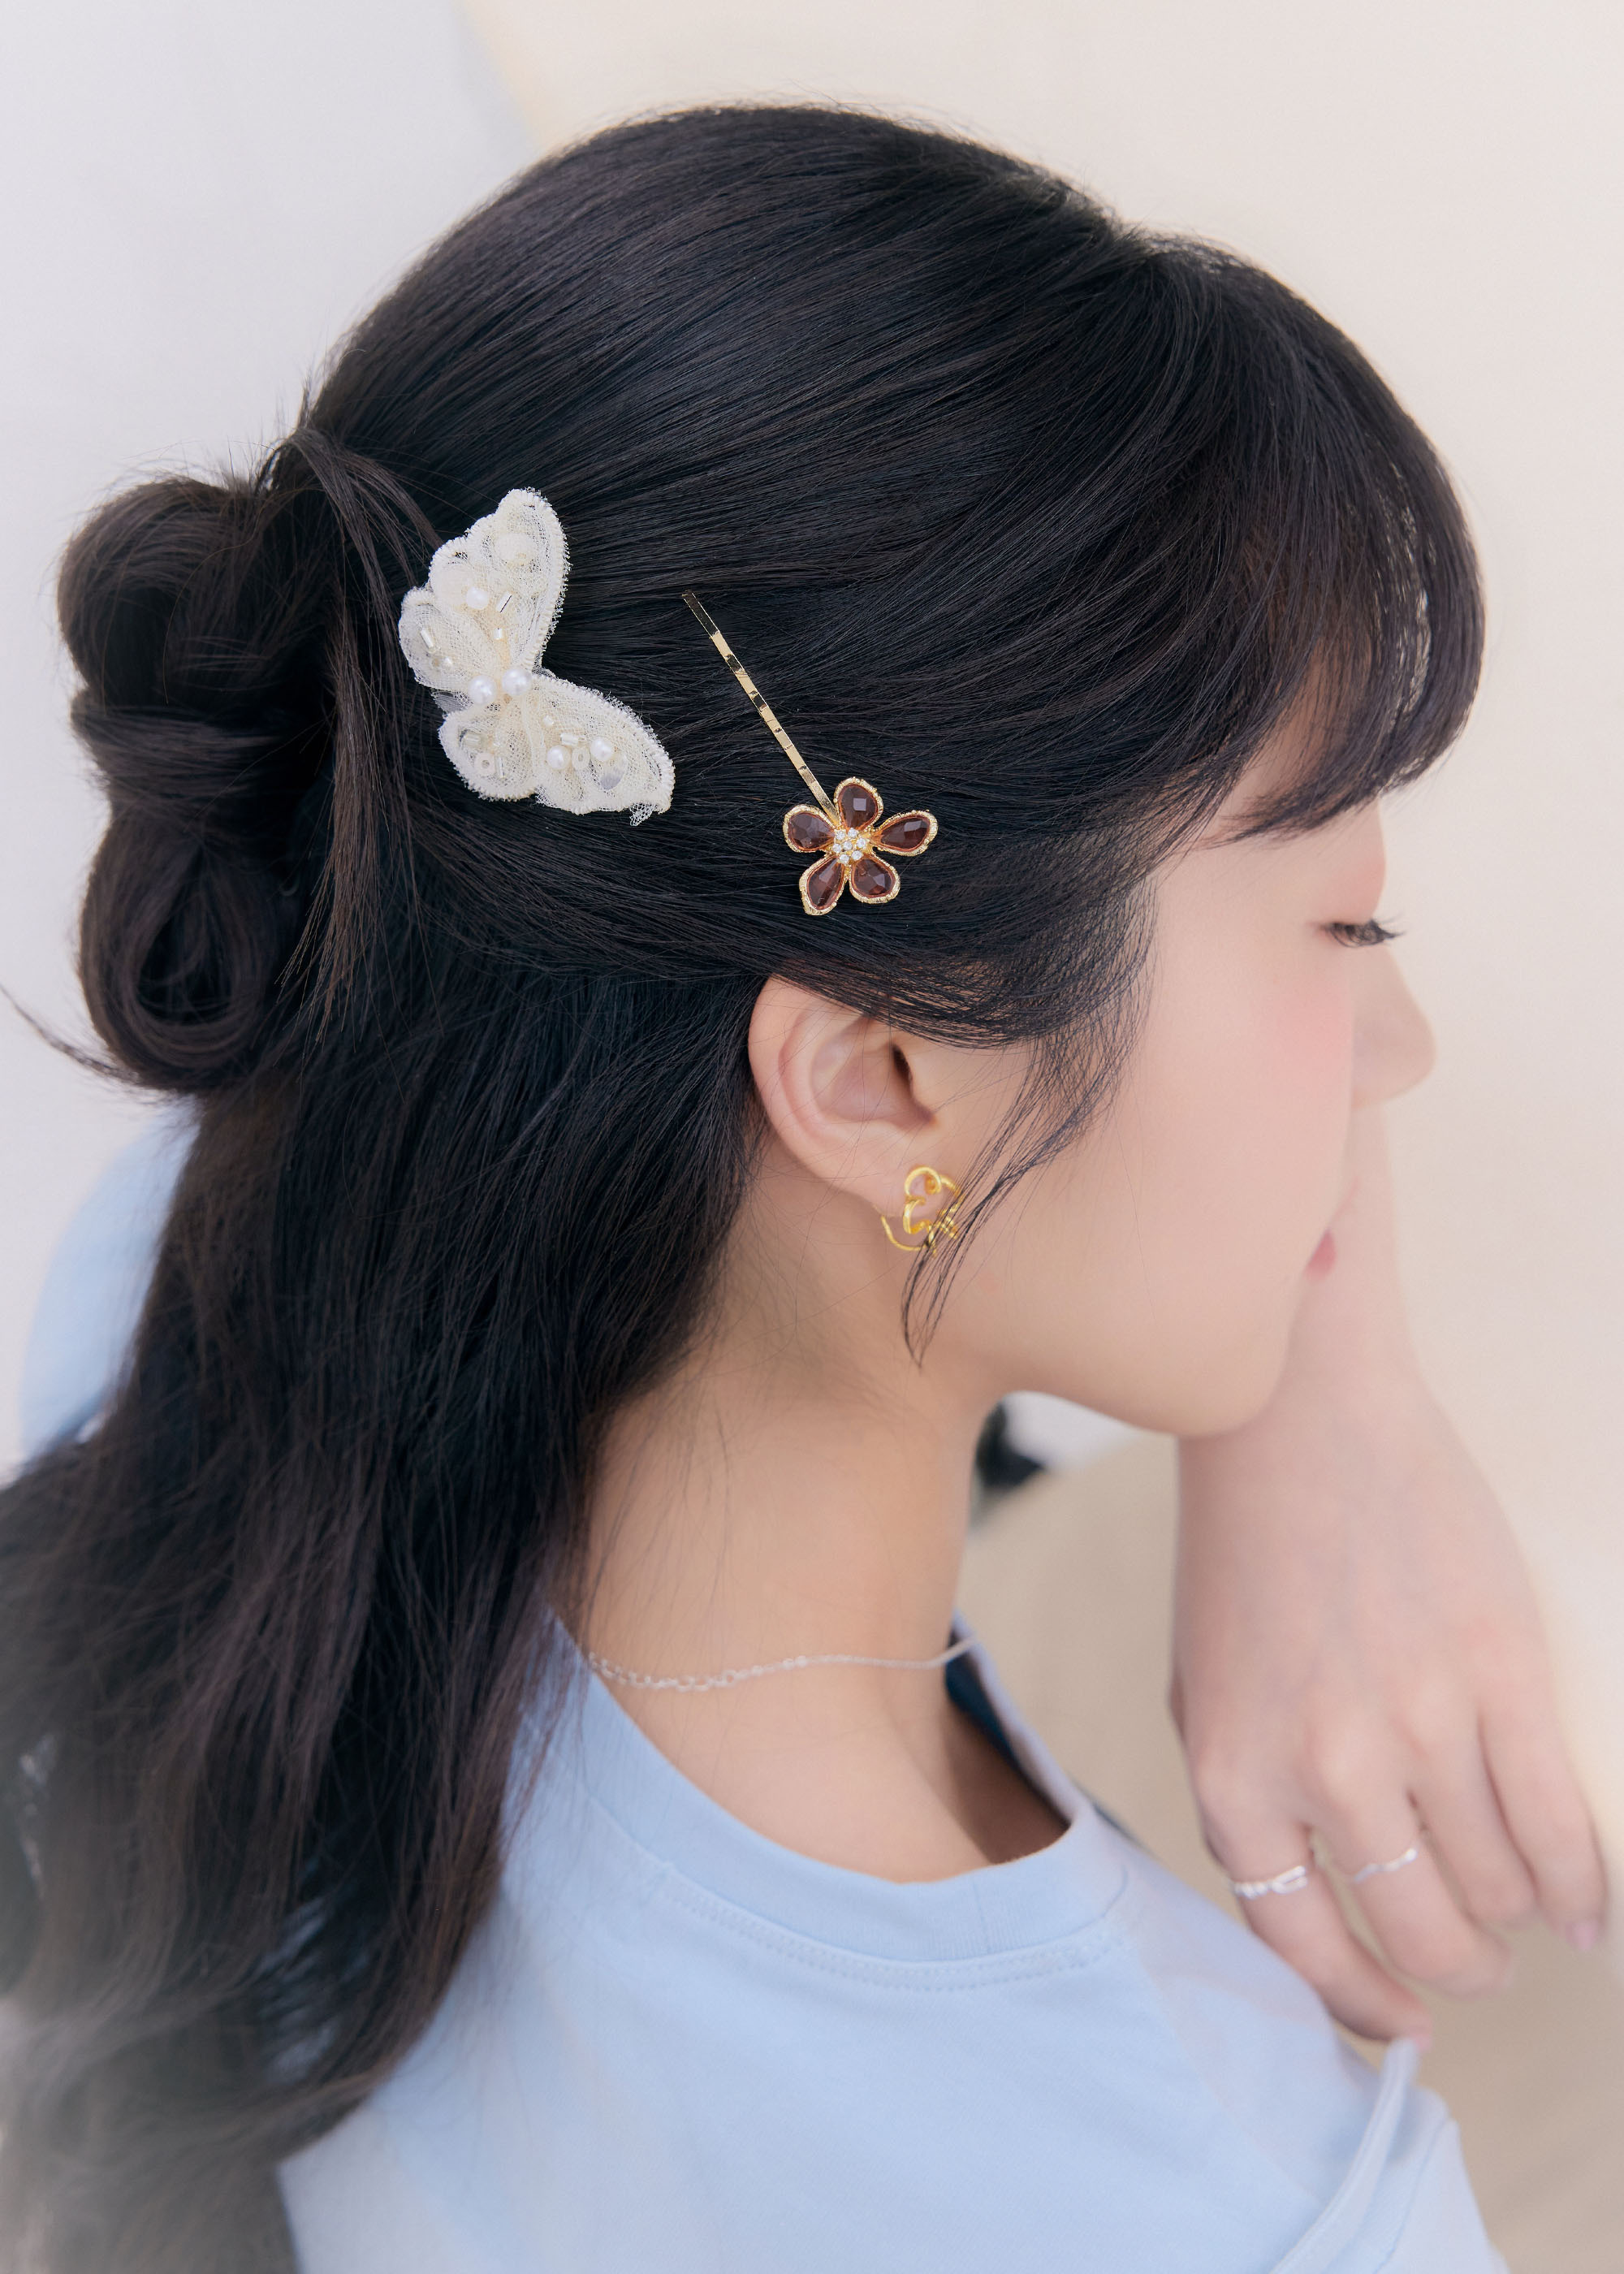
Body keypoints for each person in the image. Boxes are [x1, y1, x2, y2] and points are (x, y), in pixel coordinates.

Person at [0, 104, 1602, 2274]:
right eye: (1347, 929)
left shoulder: (187, 1295)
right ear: (880, 1078)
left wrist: (1330, 1395)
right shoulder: (1246, 2206)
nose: (1397, 1053)